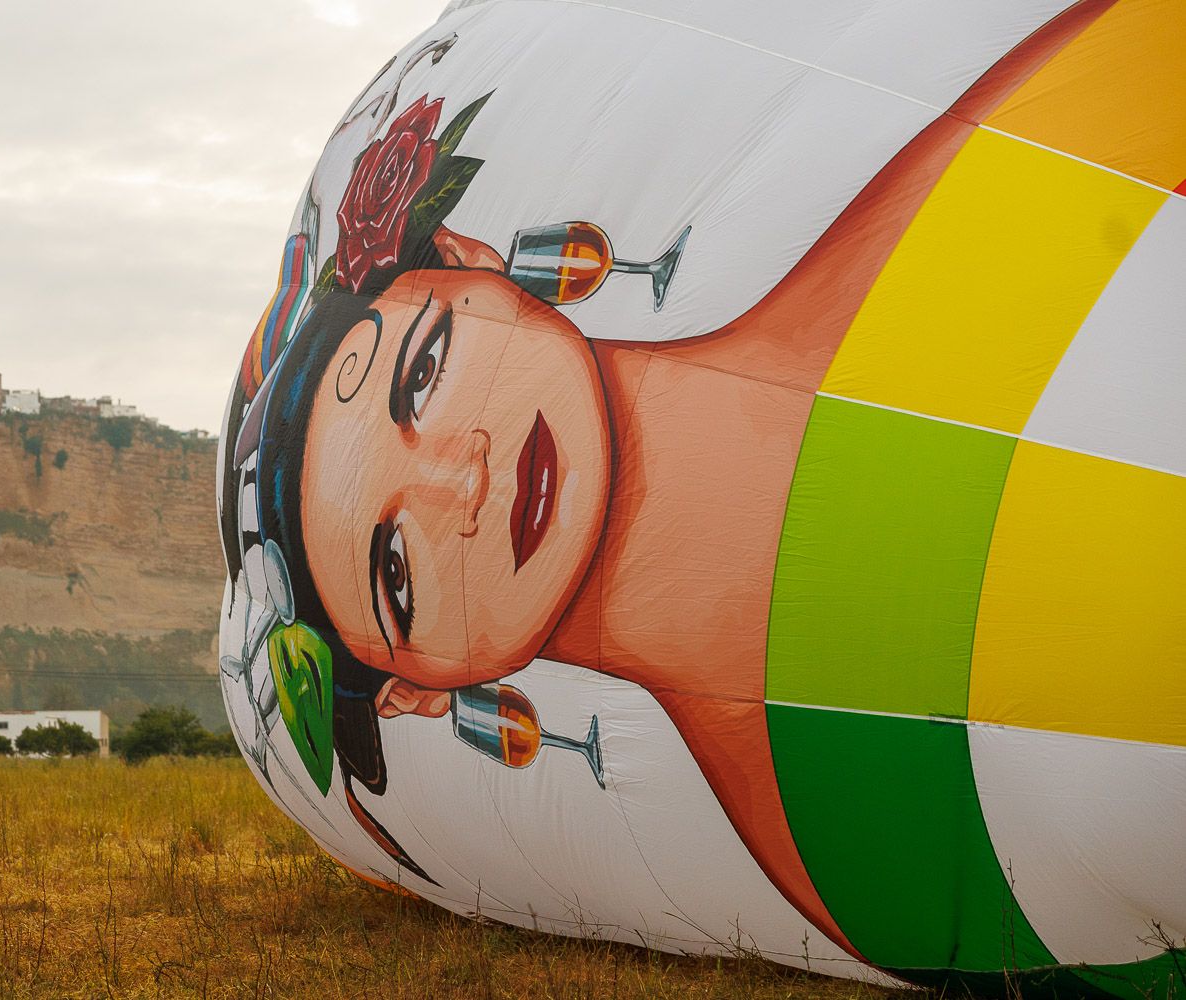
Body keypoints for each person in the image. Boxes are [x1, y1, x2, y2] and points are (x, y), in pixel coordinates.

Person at [218, 0, 1116, 955]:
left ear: (466, 259)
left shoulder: (992, 174)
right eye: (396, 571)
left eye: (426, 368)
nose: (465, 481)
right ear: (418, 695)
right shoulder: (856, 860)